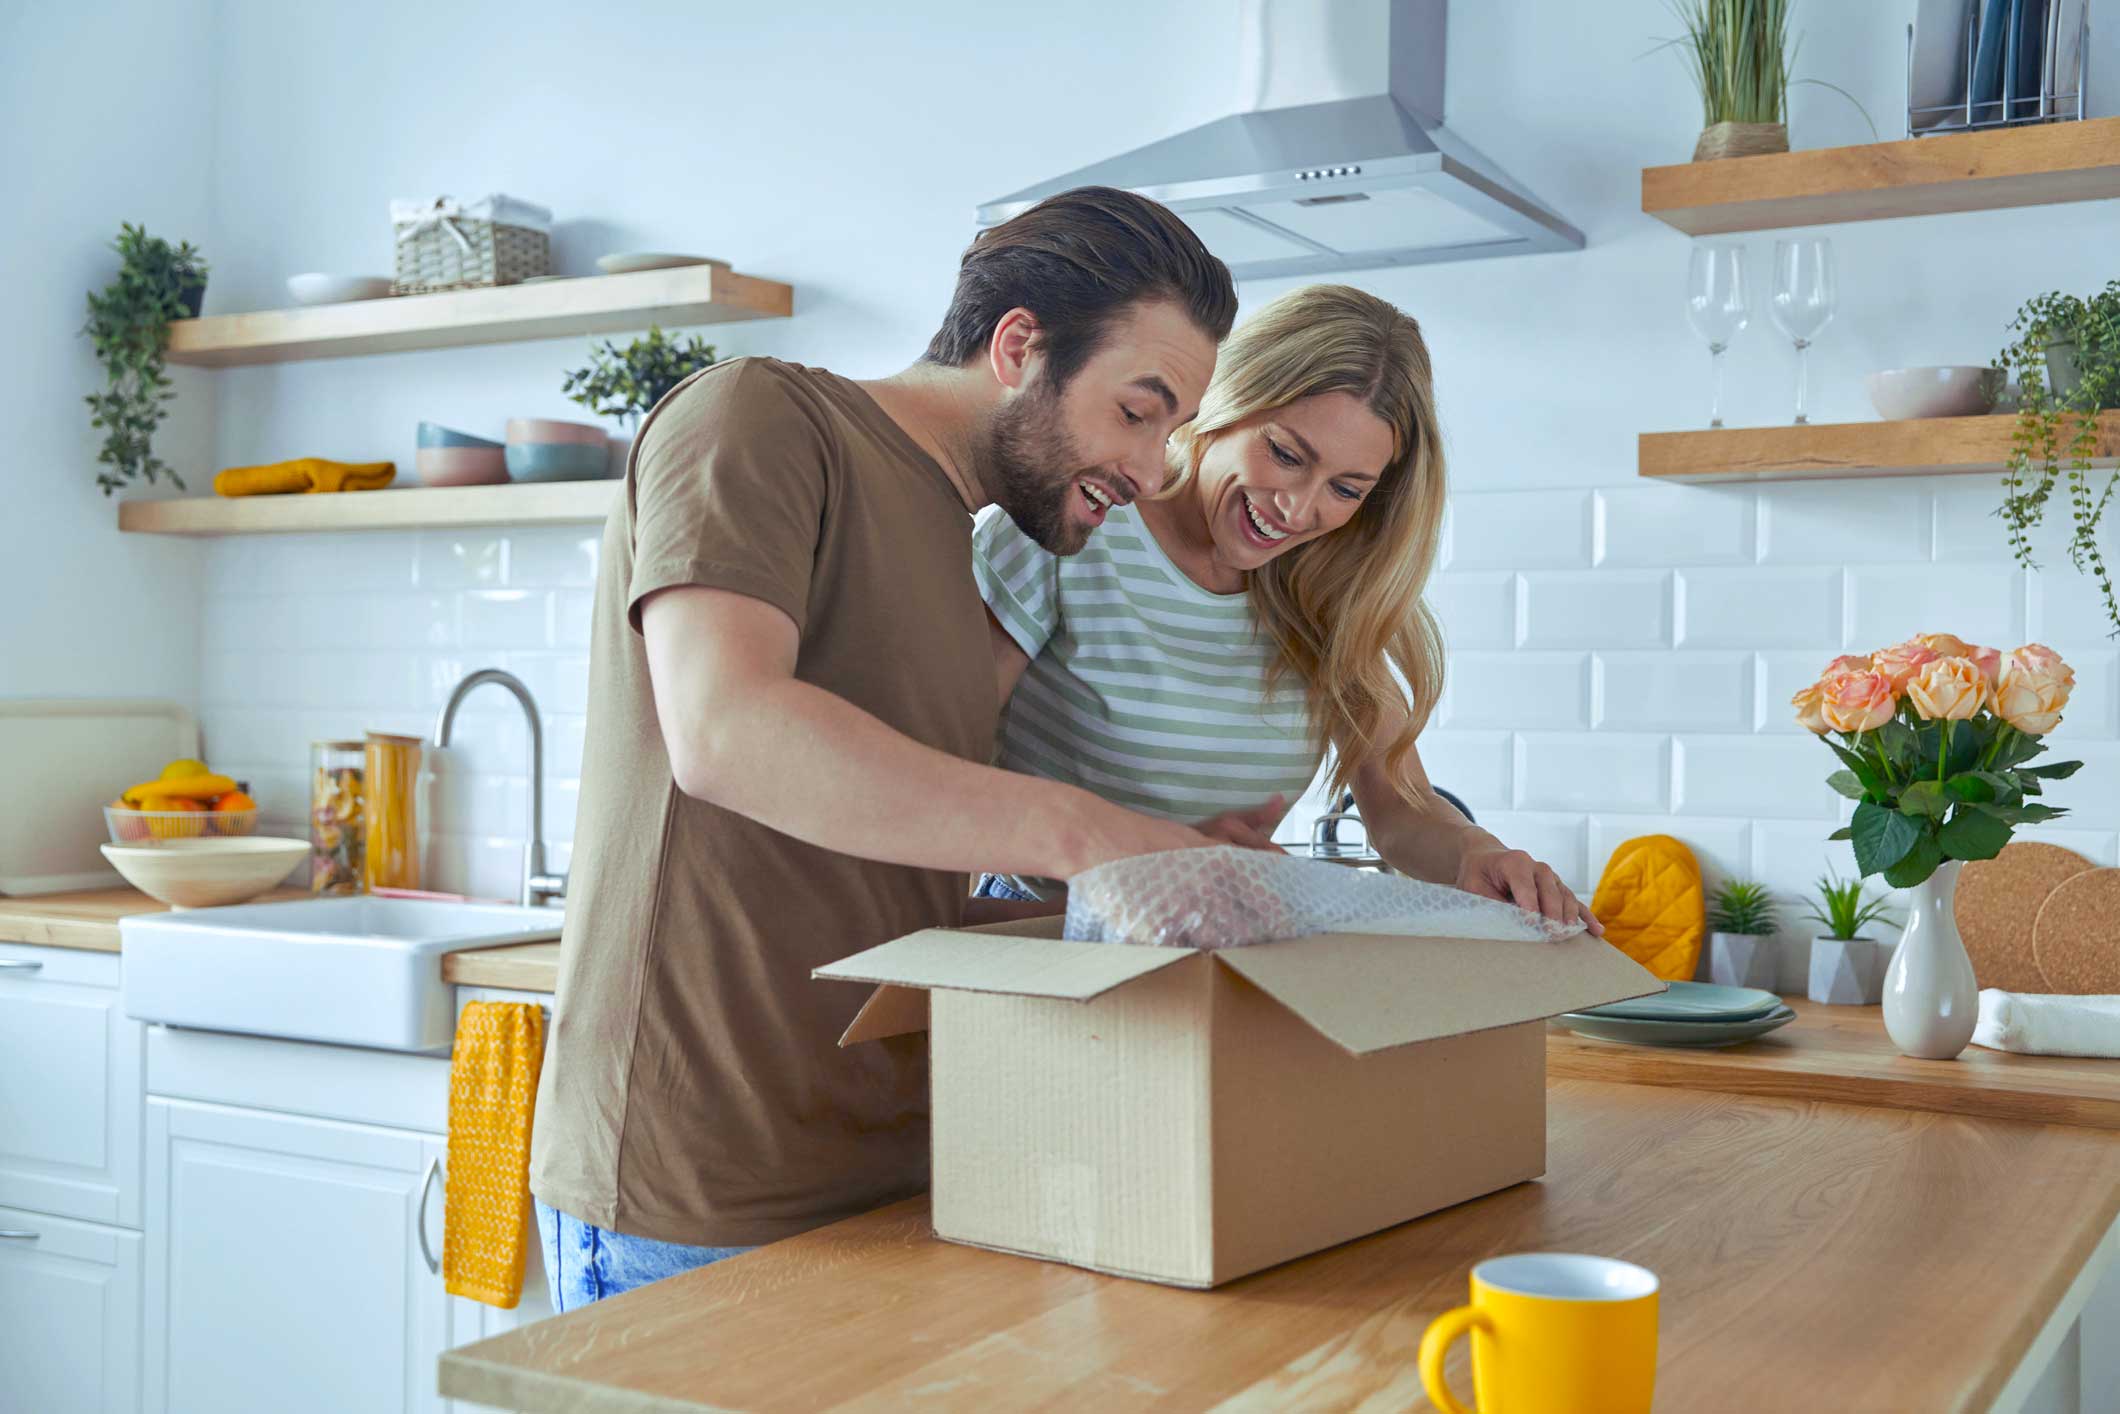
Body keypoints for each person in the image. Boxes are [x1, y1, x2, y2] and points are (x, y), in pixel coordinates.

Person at [529, 187, 1260, 1310]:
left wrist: (1167, 883)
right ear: (1019, 347)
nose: (1156, 467)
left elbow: (884, 897)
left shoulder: (951, 545)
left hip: (877, 1184)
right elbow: (724, 732)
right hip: (693, 1195)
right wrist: (1086, 834)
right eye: (1138, 410)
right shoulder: (757, 415)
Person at [973, 283, 1600, 930]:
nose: (1299, 510)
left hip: (1226, 939)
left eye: (1346, 489)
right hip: (1043, 936)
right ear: (1225, 404)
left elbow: (1399, 810)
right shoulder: (1071, 532)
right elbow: (936, 781)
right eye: (1286, 455)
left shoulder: (1325, 592)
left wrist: (1479, 853)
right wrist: (1146, 881)